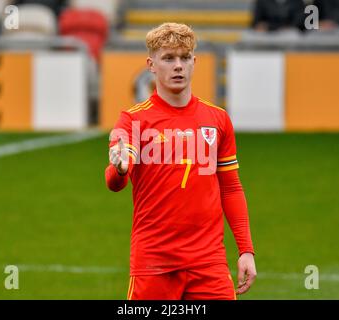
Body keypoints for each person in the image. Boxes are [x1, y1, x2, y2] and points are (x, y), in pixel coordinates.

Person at [105, 22, 256, 300]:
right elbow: (114, 182)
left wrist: (246, 249)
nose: (178, 66)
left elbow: (231, 188)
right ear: (151, 64)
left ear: (194, 62)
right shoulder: (134, 120)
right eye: (168, 58)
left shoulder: (217, 119)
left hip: (208, 262)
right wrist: (120, 168)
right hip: (154, 263)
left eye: (185, 58)